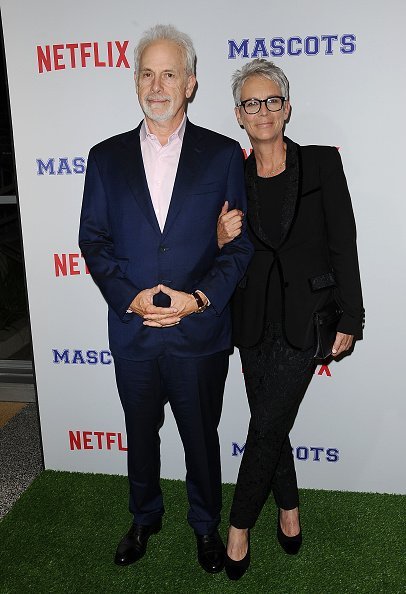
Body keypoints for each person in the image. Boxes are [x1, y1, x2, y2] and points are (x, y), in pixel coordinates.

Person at [78, 24, 253, 574]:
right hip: (133, 331)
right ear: (135, 84)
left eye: (169, 74)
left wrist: (197, 298)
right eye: (147, 74)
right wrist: (130, 300)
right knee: (139, 431)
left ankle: (205, 525)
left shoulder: (223, 154)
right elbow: (94, 240)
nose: (158, 85)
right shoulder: (104, 157)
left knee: (201, 436)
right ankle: (144, 516)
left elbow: (239, 246)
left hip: (197, 330)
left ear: (191, 83)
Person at [217, 58, 364, 580]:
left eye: (272, 101)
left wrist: (353, 314)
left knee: (265, 426)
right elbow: (216, 254)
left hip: (309, 317)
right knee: (270, 423)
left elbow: (342, 242)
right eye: (252, 103)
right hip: (251, 320)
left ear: (287, 108)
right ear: (239, 114)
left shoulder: (322, 164)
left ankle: (238, 525)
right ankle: (289, 508)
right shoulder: (228, 172)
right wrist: (219, 240)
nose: (263, 111)